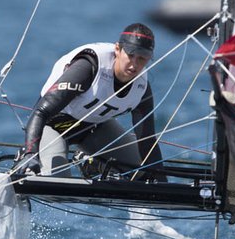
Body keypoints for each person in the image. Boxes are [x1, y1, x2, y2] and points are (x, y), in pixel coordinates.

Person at [15, 22, 167, 181]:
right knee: (59, 183)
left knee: (141, 174)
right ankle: (25, 162)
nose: (134, 64)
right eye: (130, 55)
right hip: (52, 125)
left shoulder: (141, 87)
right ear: (118, 49)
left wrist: (162, 184)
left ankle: (92, 163)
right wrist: (30, 154)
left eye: (142, 58)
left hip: (94, 128)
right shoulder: (88, 67)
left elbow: (147, 139)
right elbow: (40, 112)